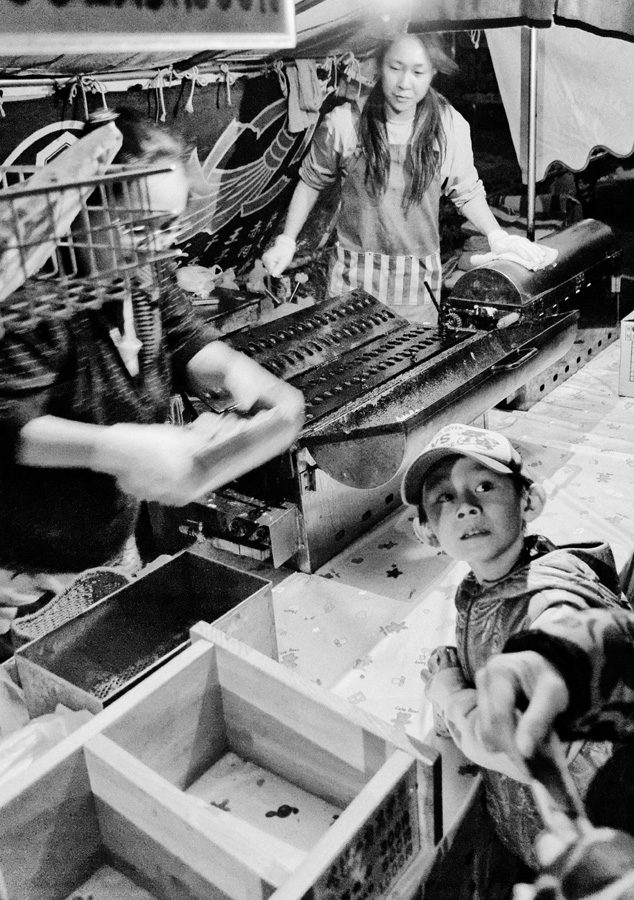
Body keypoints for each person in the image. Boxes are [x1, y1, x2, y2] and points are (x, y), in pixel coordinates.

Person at [0, 107, 304, 638]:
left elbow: (187, 339)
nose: (156, 245)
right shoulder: (33, 297)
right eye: (137, 227)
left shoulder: (142, 267)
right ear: (80, 214)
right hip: (23, 574)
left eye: (166, 227)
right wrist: (115, 447)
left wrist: (244, 377)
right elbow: (8, 424)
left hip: (110, 548)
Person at [400, 422, 629, 881]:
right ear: (425, 532)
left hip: (598, 858)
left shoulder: (550, 597)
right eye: (443, 497)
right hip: (534, 841)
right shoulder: (481, 583)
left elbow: (518, 748)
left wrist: (448, 694)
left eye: (484, 486)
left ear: (530, 502)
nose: (465, 507)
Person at [262, 32, 551, 323]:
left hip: (417, 285)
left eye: (417, 72)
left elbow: (466, 191)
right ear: (379, 65)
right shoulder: (344, 122)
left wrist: (496, 235)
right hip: (351, 281)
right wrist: (287, 240)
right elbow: (312, 181)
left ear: (433, 73)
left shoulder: (448, 126)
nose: (404, 84)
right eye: (395, 68)